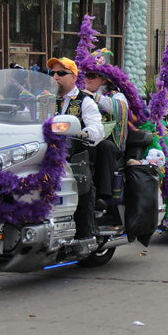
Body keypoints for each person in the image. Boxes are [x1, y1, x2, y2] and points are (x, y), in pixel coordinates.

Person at [49, 57, 104, 249]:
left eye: (61, 73)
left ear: (73, 77)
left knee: (81, 182)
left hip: (75, 156)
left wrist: (84, 133)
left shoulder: (84, 101)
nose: (55, 77)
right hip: (46, 155)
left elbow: (98, 128)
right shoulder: (44, 100)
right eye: (52, 73)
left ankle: (85, 235)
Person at [80, 66, 129, 204]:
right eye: (86, 75)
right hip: (83, 138)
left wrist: (94, 97)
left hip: (108, 141)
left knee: (105, 146)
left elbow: (120, 109)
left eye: (92, 76)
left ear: (103, 80)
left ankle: (103, 197)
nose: (87, 79)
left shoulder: (116, 95)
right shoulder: (79, 96)